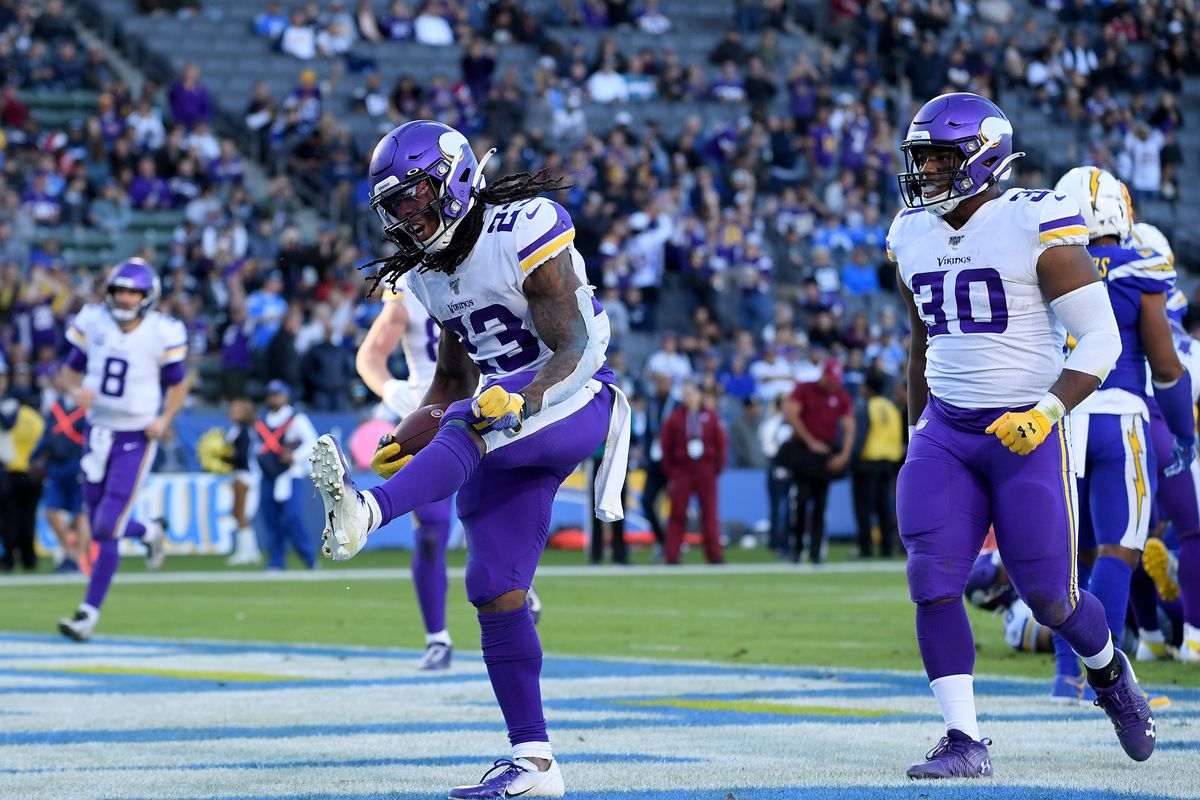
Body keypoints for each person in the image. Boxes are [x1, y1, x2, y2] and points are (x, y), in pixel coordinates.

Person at [309, 120, 629, 798]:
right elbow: (453, 379)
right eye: (396, 205)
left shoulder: (526, 225)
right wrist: (415, 423)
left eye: (418, 194)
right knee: (493, 586)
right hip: (504, 414)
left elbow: (574, 347)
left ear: (454, 177)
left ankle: (367, 511)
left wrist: (521, 397)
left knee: (475, 420)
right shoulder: (424, 275)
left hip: (573, 393)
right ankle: (536, 763)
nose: (409, 213)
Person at [890, 92, 1154, 778]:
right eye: (921, 159)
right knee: (931, 577)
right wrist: (921, 424)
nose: (926, 173)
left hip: (1025, 429)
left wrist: (1046, 412)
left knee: (1050, 597)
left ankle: (1108, 670)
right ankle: (963, 740)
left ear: (982, 158)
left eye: (941, 158)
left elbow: (1099, 339)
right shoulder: (910, 234)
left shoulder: (1035, 222)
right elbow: (921, 341)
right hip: (948, 429)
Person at [1048, 166, 1190, 698]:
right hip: (1119, 416)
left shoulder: (1045, 266)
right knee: (1119, 550)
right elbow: (1167, 367)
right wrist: (1183, 433)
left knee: (1065, 557)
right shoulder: (1138, 266)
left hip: (1058, 417)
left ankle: (1067, 677)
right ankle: (1099, 678)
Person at [57, 259, 184, 641]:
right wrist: (72, 390)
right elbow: (69, 369)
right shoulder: (93, 320)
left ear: (148, 296)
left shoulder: (163, 331)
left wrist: (164, 418)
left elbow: (177, 384)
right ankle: (148, 532)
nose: (125, 298)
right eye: (120, 291)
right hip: (96, 431)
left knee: (105, 525)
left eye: (133, 292)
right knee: (98, 524)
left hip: (134, 435)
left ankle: (87, 615)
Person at [356, 272, 459, 669]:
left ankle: (517, 581)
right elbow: (369, 356)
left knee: (500, 511)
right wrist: (391, 390)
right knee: (433, 535)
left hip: (493, 408)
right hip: (432, 418)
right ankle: (438, 637)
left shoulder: (492, 261)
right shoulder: (410, 283)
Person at [1129, 222, 1200, 662]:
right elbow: (1178, 377)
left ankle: (1148, 637)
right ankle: (1193, 633)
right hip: (1164, 428)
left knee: (1123, 540)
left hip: (1111, 424)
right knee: (1194, 530)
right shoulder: (1174, 331)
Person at [780, 358, 854, 564]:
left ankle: (815, 553)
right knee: (801, 501)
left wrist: (844, 454)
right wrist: (810, 442)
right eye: (831, 379)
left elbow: (849, 425)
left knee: (821, 504)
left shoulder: (841, 395)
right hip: (804, 451)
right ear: (823, 375)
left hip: (825, 452)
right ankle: (796, 549)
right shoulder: (804, 389)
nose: (833, 384)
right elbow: (791, 414)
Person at [660, 382, 727, 565]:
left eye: (692, 394)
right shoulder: (674, 419)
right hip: (682, 470)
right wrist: (672, 472)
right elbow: (666, 447)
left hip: (705, 469)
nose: (689, 398)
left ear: (699, 395)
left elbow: (721, 443)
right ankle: (672, 555)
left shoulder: (710, 417)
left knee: (709, 513)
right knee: (677, 513)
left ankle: (714, 555)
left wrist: (717, 467)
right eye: (686, 394)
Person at [257, 380, 318, 570]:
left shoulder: (296, 418)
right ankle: (276, 561)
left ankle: (308, 556)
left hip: (290, 474)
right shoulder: (262, 421)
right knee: (271, 520)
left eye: (277, 394)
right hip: (268, 475)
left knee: (291, 517)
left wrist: (295, 457)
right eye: (271, 395)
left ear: (285, 396)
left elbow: (312, 442)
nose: (274, 398)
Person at [37, 376, 90, 573]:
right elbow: (47, 436)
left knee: (81, 514)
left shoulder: (88, 409)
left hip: (79, 465)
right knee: (51, 511)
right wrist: (33, 458)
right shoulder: (55, 407)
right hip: (57, 467)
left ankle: (76, 559)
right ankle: (68, 551)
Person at [851, 372, 903, 558]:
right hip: (889, 461)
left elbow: (861, 434)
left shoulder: (866, 405)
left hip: (868, 460)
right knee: (883, 506)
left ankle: (866, 548)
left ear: (868, 388)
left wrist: (854, 458)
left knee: (864, 507)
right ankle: (886, 548)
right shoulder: (891, 407)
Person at [0, 365, 45, 573]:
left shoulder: (9, 413)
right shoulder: (35, 419)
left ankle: (8, 559)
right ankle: (29, 559)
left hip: (10, 470)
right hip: (31, 472)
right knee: (29, 518)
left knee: (9, 519)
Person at [224, 397, 261, 566]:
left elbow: (242, 456)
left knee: (240, 514)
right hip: (241, 473)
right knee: (240, 514)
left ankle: (244, 553)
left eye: (237, 409)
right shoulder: (238, 429)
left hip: (245, 474)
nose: (232, 412)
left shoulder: (244, 430)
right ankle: (251, 551)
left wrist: (222, 457)